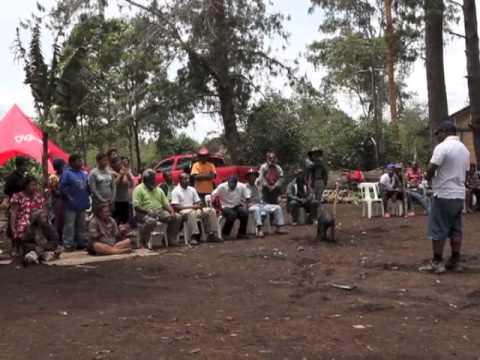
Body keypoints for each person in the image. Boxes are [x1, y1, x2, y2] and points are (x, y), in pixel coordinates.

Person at [420, 121, 470, 274]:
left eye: (438, 133)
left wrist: (427, 179)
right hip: (459, 194)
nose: (437, 137)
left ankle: (437, 262)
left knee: (438, 228)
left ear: (444, 131)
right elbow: (466, 173)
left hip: (443, 194)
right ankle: (455, 260)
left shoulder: (442, 147)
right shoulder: (465, 150)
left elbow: (432, 167)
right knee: (456, 229)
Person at [133, 169, 182, 246]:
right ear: (145, 180)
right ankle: (144, 240)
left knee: (177, 217)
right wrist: (147, 211)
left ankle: (170, 238)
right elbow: (136, 206)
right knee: (151, 221)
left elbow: (166, 204)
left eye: (154, 179)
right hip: (143, 213)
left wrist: (172, 212)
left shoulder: (158, 189)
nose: (153, 181)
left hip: (159, 211)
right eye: (151, 180)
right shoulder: (138, 189)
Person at [171, 173, 221, 244]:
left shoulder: (192, 189)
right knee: (191, 213)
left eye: (188, 178)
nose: (188, 180)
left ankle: (211, 234)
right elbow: (176, 207)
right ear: (180, 180)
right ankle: (193, 236)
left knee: (211, 210)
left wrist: (199, 204)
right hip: (183, 212)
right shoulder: (175, 191)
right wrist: (192, 207)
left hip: (194, 210)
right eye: (185, 179)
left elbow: (198, 201)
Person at [60, 154, 90, 251]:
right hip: (70, 205)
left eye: (81, 160)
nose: (81, 162)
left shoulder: (84, 174)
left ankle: (81, 243)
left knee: (81, 225)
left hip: (82, 203)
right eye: (78, 160)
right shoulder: (67, 173)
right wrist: (69, 197)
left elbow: (87, 187)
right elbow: (62, 188)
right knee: (69, 225)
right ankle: (68, 244)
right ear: (72, 162)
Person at [9, 175, 46, 256]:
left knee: (44, 222)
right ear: (26, 185)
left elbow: (43, 210)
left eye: (35, 185)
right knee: (23, 224)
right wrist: (12, 227)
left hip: (36, 218)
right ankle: (16, 246)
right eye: (32, 185)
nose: (34, 187)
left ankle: (39, 246)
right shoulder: (18, 196)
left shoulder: (38, 196)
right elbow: (13, 213)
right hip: (22, 219)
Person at [245, 168, 288, 237]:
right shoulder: (246, 187)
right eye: (251, 175)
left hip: (260, 204)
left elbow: (260, 198)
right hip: (251, 206)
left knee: (277, 207)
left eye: (254, 175)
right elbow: (248, 201)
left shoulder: (257, 186)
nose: (253, 177)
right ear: (248, 177)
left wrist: (262, 203)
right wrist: (257, 205)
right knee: (257, 209)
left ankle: (279, 227)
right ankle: (259, 229)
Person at [111, 157, 134, 224]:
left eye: (120, 163)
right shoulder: (112, 173)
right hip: (116, 200)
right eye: (118, 164)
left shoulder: (125, 172)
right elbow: (114, 184)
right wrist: (120, 175)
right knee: (116, 221)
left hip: (125, 199)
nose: (120, 165)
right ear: (113, 165)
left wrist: (126, 175)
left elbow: (128, 183)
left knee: (125, 220)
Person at [49, 158, 66, 242]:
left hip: (65, 200)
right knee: (58, 220)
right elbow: (54, 191)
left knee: (64, 220)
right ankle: (57, 239)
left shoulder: (65, 175)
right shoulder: (53, 177)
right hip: (58, 201)